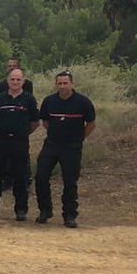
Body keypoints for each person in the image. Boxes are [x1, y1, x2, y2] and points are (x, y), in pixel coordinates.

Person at [35, 71, 95, 228]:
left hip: (72, 147)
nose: (62, 86)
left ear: (72, 84)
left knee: (70, 181)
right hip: (52, 145)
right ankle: (45, 211)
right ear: (56, 84)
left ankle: (69, 215)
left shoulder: (83, 102)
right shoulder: (49, 101)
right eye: (59, 83)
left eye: (65, 83)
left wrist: (79, 138)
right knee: (41, 176)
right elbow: (45, 122)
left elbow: (91, 123)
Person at [0, 68, 39, 221]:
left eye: (18, 79)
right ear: (8, 81)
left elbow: (35, 122)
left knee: (20, 176)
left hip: (19, 142)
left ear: (23, 81)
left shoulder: (29, 99)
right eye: (12, 79)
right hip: (1, 142)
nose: (15, 82)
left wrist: (23, 132)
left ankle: (21, 209)